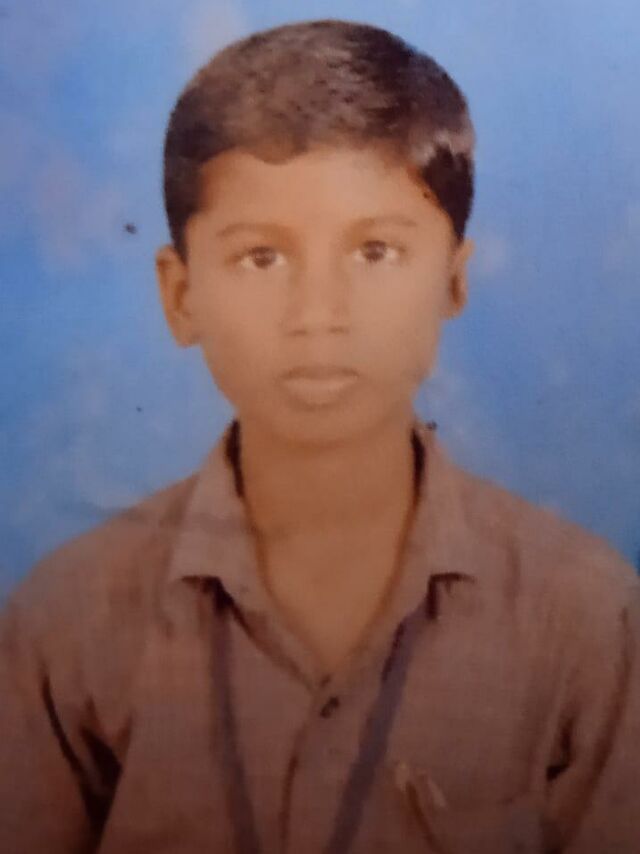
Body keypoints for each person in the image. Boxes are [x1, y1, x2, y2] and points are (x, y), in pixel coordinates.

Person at [1, 18, 638, 854]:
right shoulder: (68, 620)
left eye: (375, 252)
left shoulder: (585, 618)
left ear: (453, 281)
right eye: (262, 258)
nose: (319, 316)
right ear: (181, 295)